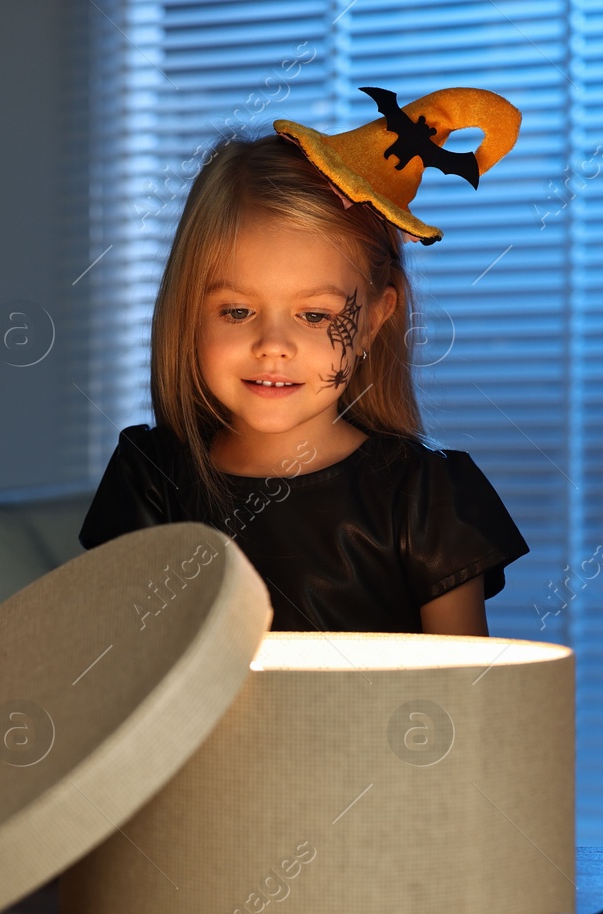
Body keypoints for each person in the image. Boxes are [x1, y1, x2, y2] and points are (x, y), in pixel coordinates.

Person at [79, 87, 530, 636]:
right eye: (238, 309)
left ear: (374, 320)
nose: (273, 344)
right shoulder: (150, 483)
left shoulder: (427, 501)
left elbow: (465, 701)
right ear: (188, 311)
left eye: (315, 317)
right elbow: (113, 674)